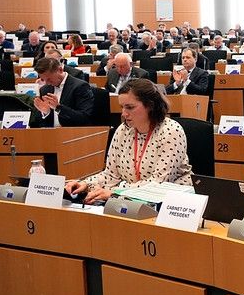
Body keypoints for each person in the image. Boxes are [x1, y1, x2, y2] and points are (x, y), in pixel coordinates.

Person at [64, 79, 192, 204]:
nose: (124, 114)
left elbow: (158, 183)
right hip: (127, 198)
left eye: (130, 107)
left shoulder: (171, 131)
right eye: (122, 107)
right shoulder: (123, 130)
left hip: (172, 204)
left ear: (150, 105)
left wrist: (115, 192)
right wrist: (85, 184)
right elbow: (111, 175)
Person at [31, 57, 93, 127]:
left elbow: (84, 118)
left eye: (49, 79)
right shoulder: (44, 89)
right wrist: (46, 113)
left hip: (73, 131)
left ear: (60, 70)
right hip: (51, 132)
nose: (47, 83)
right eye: (43, 79)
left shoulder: (80, 86)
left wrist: (58, 107)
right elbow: (40, 122)